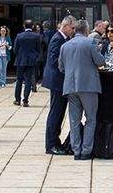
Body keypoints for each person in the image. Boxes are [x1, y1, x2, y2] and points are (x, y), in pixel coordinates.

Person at [60, 19, 106, 160]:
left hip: (70, 86)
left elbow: (61, 67)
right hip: (88, 85)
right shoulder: (91, 43)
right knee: (91, 119)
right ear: (86, 30)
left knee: (74, 120)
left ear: (75, 30)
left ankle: (76, 150)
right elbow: (101, 61)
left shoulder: (65, 46)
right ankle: (86, 150)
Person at [42, 16, 76, 155]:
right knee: (56, 113)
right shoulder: (57, 39)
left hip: (60, 81)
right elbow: (54, 60)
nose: (73, 31)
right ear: (65, 26)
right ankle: (51, 144)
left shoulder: (63, 39)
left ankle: (55, 142)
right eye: (72, 28)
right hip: (57, 81)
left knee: (60, 113)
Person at [14, 20, 42, 106]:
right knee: (28, 80)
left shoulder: (19, 36)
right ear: (32, 26)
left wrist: (19, 55)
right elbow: (38, 49)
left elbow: (15, 49)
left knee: (19, 80)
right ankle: (25, 100)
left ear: (24, 26)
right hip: (31, 60)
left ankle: (17, 100)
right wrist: (35, 57)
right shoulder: (36, 36)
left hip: (20, 60)